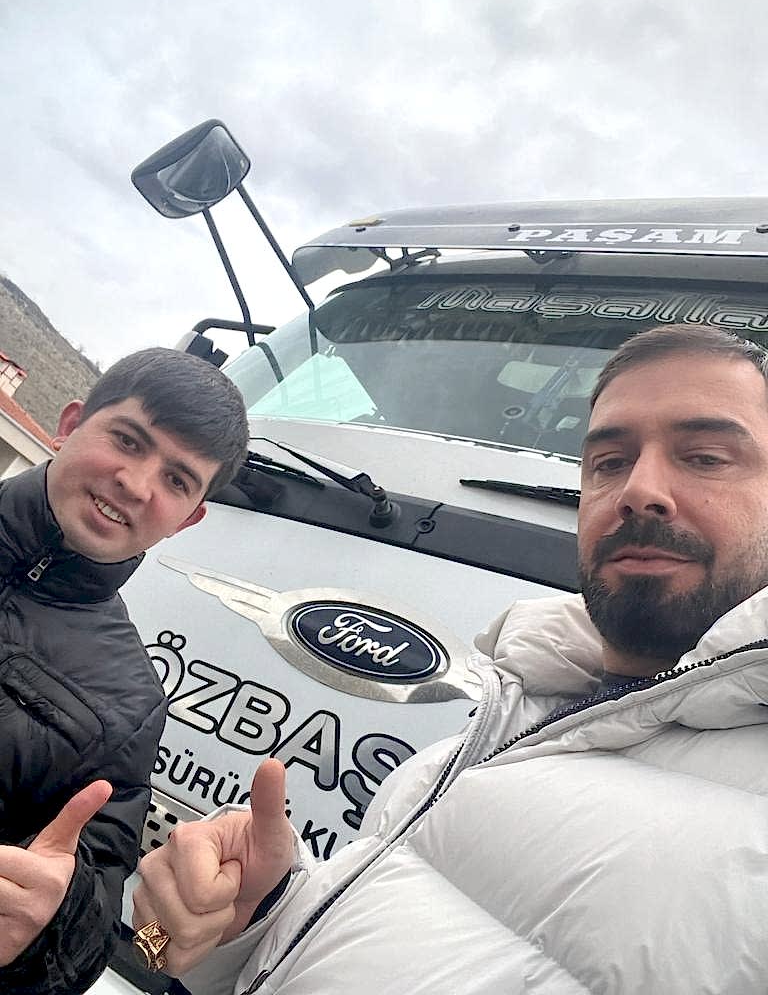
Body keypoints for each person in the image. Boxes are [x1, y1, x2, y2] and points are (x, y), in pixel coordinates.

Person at [133, 323, 768, 993]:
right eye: (609, 463)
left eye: (705, 458)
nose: (640, 489)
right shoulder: (519, 706)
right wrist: (252, 917)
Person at [0, 347, 248, 994]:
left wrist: (43, 926)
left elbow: (97, 925)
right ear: (70, 423)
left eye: (177, 480)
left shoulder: (132, 707)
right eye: (129, 441)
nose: (136, 485)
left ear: (188, 519)